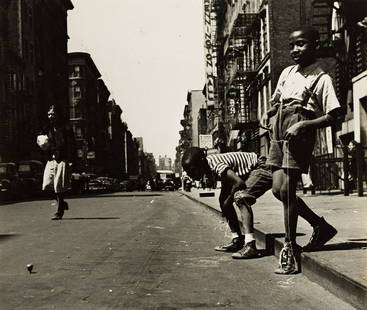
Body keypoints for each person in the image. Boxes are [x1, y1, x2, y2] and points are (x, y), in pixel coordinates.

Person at [260, 26, 341, 274]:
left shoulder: (321, 77)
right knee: (277, 190)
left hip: (300, 133)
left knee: (287, 190)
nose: (295, 50)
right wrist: (269, 112)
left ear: (314, 45)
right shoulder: (286, 72)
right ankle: (319, 226)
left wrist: (305, 124)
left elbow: (333, 115)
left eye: (301, 44)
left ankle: (290, 248)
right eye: (292, 45)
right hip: (278, 132)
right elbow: (277, 103)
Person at [181, 147, 337, 260]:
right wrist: (226, 202)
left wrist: (229, 200)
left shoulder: (214, 164)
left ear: (202, 162)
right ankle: (237, 240)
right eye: (188, 172)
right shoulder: (208, 166)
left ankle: (250, 245)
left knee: (240, 197)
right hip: (251, 169)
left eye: (193, 170)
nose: (191, 175)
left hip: (260, 166)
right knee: (225, 202)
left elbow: (239, 182)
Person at [38, 105, 76, 220]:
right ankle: (62, 203)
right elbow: (40, 136)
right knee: (47, 184)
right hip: (51, 159)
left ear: (58, 115)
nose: (50, 116)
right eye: (49, 114)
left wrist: (70, 160)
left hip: (62, 158)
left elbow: (71, 144)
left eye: (53, 114)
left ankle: (59, 211)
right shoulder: (47, 127)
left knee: (58, 185)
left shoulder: (66, 127)